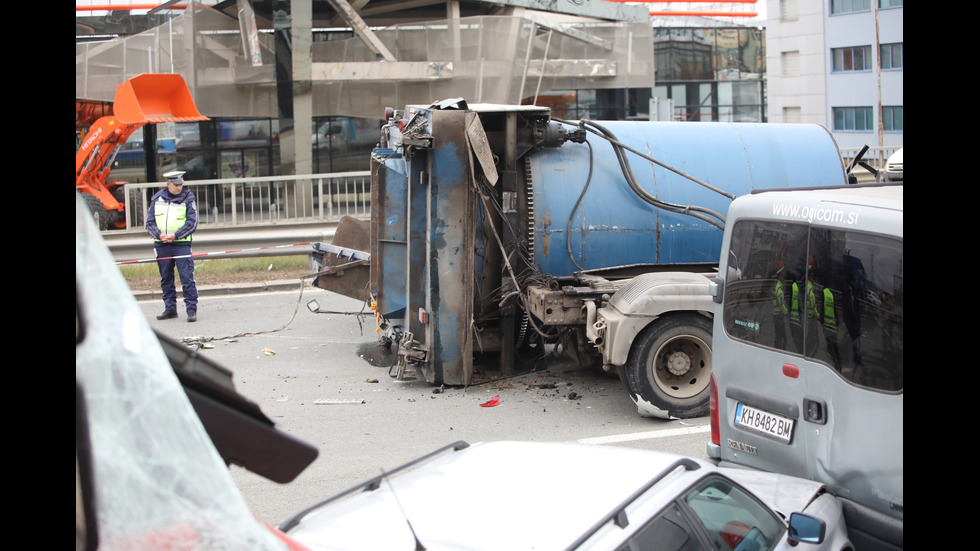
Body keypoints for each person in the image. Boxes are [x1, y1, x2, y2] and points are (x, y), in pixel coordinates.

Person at [146, 170, 199, 322]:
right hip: (162, 244)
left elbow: (192, 223)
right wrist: (159, 235)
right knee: (166, 278)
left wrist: (175, 236)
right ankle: (170, 309)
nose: (179, 187)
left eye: (181, 184)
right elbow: (149, 223)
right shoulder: (157, 199)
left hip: (181, 244)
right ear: (168, 184)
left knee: (187, 277)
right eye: (176, 185)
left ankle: (191, 310)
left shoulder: (188, 197)